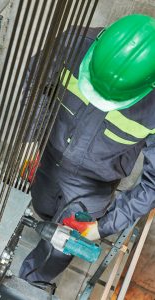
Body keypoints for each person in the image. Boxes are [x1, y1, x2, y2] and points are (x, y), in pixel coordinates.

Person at [19, 14, 155, 283]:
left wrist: (103, 226)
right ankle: (40, 223)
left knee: (59, 247)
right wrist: (30, 137)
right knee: (42, 206)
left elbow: (152, 185)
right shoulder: (75, 42)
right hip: (48, 153)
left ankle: (28, 283)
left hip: (92, 184)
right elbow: (34, 81)